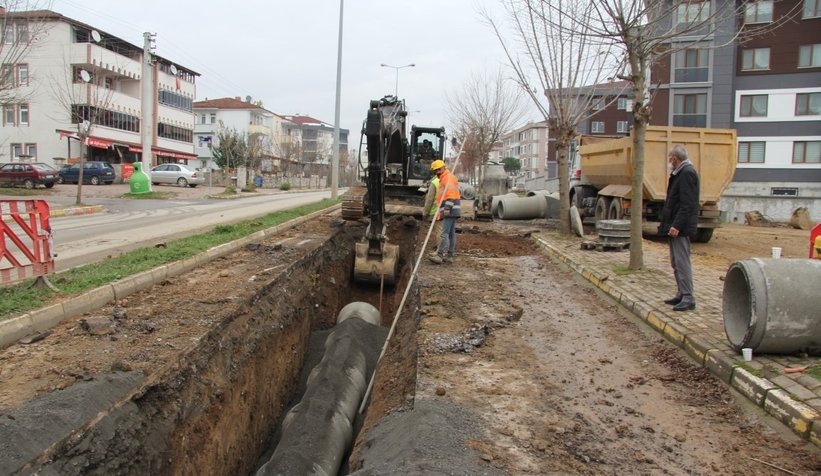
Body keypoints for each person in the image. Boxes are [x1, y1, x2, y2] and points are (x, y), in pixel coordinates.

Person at [659, 144, 699, 312]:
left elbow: (687, 204)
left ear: (675, 158)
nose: (669, 161)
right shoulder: (680, 173)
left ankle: (688, 297)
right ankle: (681, 293)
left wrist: (677, 225)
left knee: (682, 261)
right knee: (675, 261)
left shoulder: (687, 174)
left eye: (670, 158)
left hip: (680, 227)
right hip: (674, 224)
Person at [428, 159, 460, 264]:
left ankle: (440, 255)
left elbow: (450, 195)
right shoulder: (445, 178)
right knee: (451, 234)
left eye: (439, 169)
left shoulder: (447, 178)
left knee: (444, 233)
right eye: (435, 170)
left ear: (443, 167)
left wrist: (446, 209)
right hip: (453, 209)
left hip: (450, 209)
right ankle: (450, 256)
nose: (437, 172)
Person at [422, 173, 441, 253]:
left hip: (436, 211)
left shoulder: (435, 182)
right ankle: (448, 250)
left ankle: (440, 251)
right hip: (448, 210)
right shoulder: (448, 180)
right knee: (446, 231)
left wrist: (425, 213)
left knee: (438, 231)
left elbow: (429, 200)